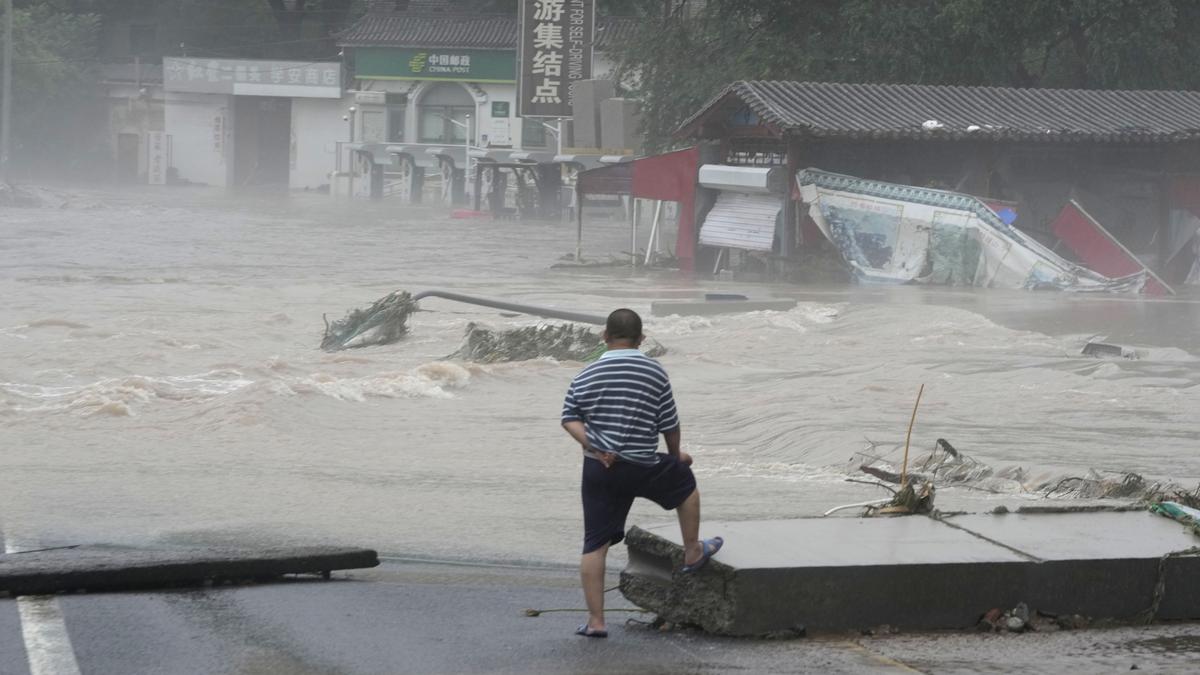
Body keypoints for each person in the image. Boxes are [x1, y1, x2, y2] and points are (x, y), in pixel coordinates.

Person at [561, 308, 722, 639]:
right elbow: (669, 423)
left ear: (605, 336)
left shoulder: (586, 374)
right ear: (641, 339)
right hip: (643, 465)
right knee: (686, 485)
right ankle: (693, 550)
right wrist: (677, 456)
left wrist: (594, 445)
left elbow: (569, 417)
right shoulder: (654, 371)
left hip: (600, 468)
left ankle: (596, 622)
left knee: (594, 544)